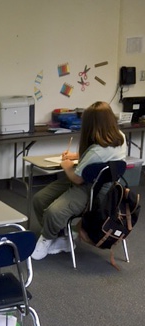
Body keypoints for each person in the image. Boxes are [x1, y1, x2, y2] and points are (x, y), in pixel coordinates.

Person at [32, 101, 127, 260]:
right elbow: (100, 157)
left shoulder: (96, 152)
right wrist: (77, 157)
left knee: (53, 212)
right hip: (96, 182)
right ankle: (61, 235)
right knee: (39, 199)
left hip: (91, 189)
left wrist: (66, 165)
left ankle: (48, 238)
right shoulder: (120, 137)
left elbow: (76, 178)